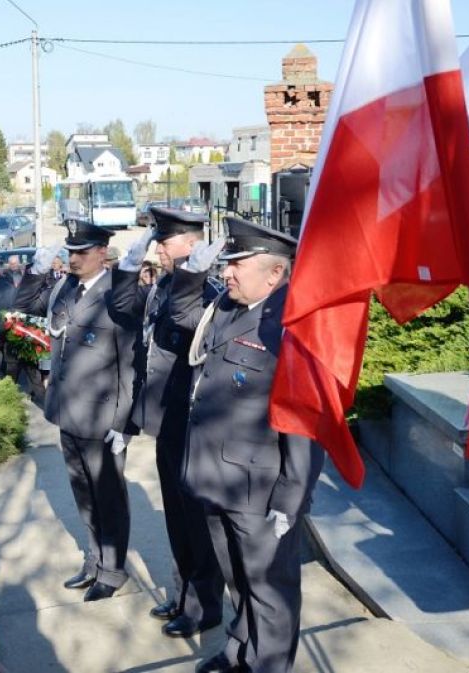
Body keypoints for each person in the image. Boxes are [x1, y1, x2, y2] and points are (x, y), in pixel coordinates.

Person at [177, 217, 323, 673]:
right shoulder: (225, 308)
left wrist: (291, 498)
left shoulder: (291, 325)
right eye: (229, 264)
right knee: (238, 580)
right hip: (216, 477)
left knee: (271, 592)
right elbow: (181, 318)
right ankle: (242, 651)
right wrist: (188, 275)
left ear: (274, 274)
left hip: (259, 489)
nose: (227, 272)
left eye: (238, 264)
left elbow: (304, 418)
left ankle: (269, 665)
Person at [111, 207, 224, 639]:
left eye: (166, 241)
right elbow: (122, 307)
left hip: (193, 425)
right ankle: (183, 594)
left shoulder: (207, 291)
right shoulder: (160, 286)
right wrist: (127, 266)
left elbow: (187, 327)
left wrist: (191, 277)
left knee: (196, 520)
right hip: (165, 422)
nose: (158, 247)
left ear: (191, 245)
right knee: (177, 519)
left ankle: (204, 605)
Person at [14, 218, 139, 602]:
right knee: (84, 494)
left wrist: (124, 424)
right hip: (68, 412)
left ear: (103, 252)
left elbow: (132, 361)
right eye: (70, 252)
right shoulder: (65, 289)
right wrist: (36, 273)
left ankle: (113, 570)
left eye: (82, 252)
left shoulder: (119, 292)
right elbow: (21, 312)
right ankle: (94, 560)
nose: (74, 259)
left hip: (102, 417)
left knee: (108, 497)